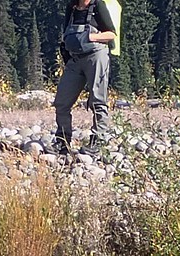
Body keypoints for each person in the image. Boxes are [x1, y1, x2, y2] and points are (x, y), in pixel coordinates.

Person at [53, 0, 117, 158]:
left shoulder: (98, 6)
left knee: (98, 100)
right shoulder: (72, 7)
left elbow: (111, 34)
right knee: (62, 101)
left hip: (96, 57)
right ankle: (62, 140)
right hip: (75, 59)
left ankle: (98, 140)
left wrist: (90, 37)